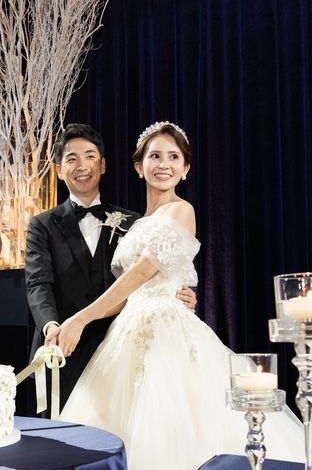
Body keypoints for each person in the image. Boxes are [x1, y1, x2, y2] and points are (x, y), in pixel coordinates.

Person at [57, 121, 312, 470]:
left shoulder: (181, 211)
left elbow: (144, 272)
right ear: (138, 166)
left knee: (170, 435)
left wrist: (82, 316)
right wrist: (78, 321)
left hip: (169, 335)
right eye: (155, 156)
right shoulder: (137, 223)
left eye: (174, 157)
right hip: (128, 333)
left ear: (186, 169)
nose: (164, 164)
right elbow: (131, 292)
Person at [25, 123, 196, 412]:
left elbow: (146, 273)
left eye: (90, 156)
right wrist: (53, 327)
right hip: (62, 346)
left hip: (119, 345)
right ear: (58, 170)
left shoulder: (131, 221)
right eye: (72, 158)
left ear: (103, 165)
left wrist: (176, 294)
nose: (82, 166)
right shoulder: (42, 224)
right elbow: (38, 284)